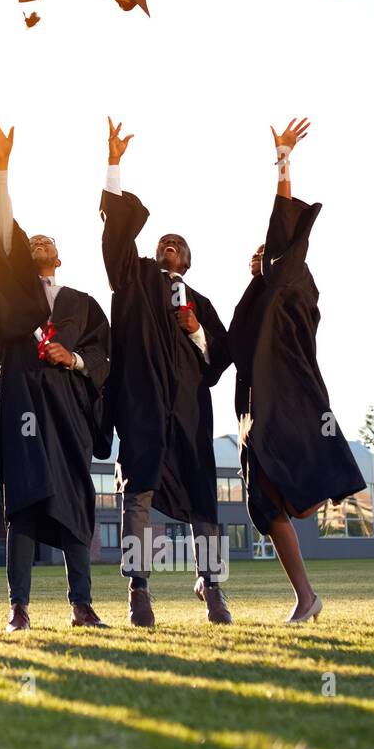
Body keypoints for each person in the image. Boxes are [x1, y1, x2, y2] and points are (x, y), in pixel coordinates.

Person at [0, 116, 112, 632]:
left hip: (69, 414)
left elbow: (104, 359)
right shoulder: (15, 295)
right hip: (24, 407)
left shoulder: (83, 304)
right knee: (24, 505)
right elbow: (3, 225)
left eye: (47, 242)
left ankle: (82, 604)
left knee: (75, 501)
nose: (39, 245)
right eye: (32, 243)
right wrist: (1, 167)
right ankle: (19, 608)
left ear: (60, 255)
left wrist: (71, 360)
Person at [228, 118, 366, 622]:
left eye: (271, 252)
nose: (261, 255)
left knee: (280, 497)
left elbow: (282, 230)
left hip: (286, 400)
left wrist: (284, 162)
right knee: (264, 506)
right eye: (257, 255)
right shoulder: (255, 301)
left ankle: (306, 576)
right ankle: (306, 597)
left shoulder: (291, 285)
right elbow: (221, 353)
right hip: (252, 409)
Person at [100, 117, 233, 626]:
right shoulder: (134, 280)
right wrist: (114, 167)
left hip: (190, 414)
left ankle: (214, 587)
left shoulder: (199, 302)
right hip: (143, 410)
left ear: (190, 259)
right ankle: (138, 589)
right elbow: (114, 242)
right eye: (164, 242)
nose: (170, 245)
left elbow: (218, 359)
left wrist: (195, 328)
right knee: (139, 497)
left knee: (206, 505)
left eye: (178, 243)